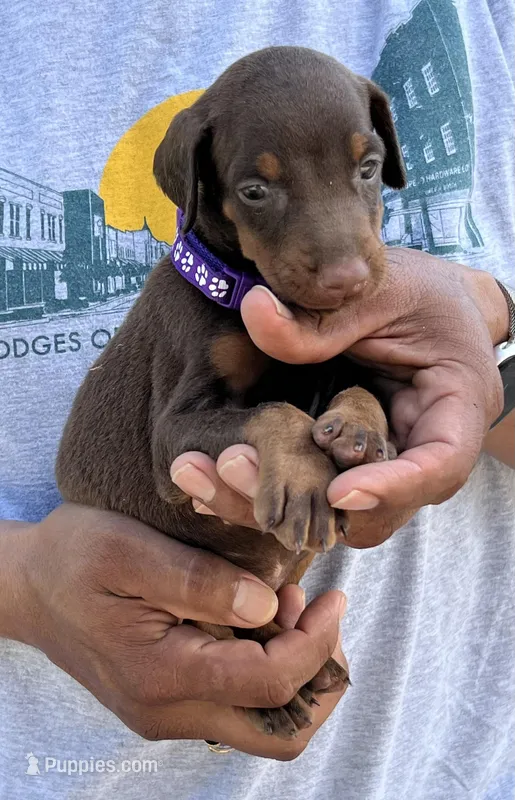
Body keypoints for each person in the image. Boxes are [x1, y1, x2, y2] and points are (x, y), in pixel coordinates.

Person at [0, 1, 514, 798]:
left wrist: (490, 345)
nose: (342, 261)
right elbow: (185, 430)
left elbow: (376, 389)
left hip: (442, 769)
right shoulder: (191, 310)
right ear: (200, 187)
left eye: (363, 171)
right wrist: (24, 586)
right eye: (261, 192)